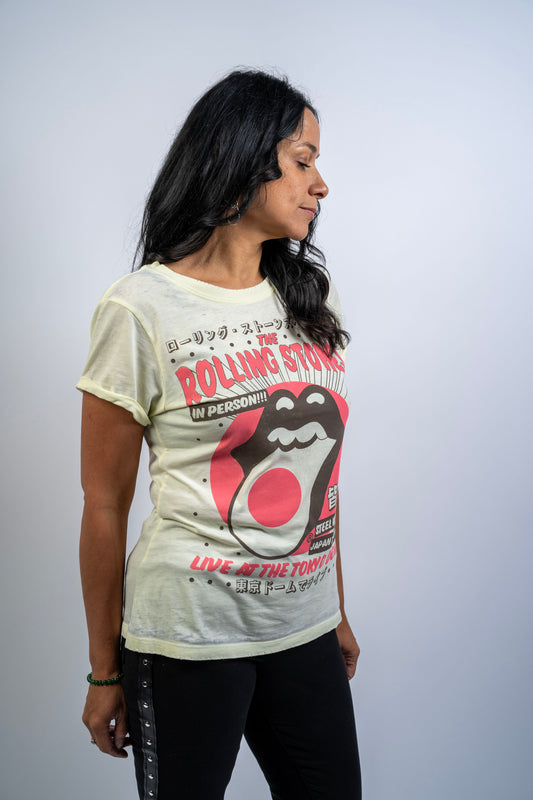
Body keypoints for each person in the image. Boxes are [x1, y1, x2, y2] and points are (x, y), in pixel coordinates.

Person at [78, 68, 362, 800]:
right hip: (188, 636)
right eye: (302, 160)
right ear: (243, 158)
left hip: (303, 626)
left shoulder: (310, 297)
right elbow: (103, 505)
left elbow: (322, 477)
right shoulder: (140, 308)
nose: (320, 184)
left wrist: (333, 610)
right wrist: (104, 672)